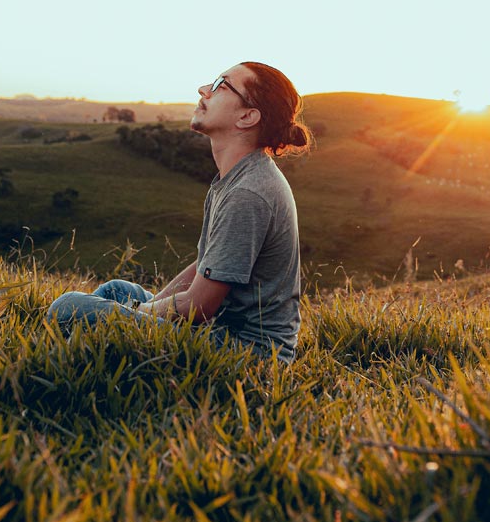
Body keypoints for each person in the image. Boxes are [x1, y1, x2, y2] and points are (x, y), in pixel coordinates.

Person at [47, 62, 312, 363]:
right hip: (222, 332)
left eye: (220, 85)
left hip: (248, 354)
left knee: (67, 307)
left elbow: (198, 307)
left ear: (247, 117)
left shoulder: (247, 193)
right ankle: (88, 355)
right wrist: (147, 310)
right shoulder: (241, 177)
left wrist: (139, 314)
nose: (203, 90)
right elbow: (205, 266)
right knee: (117, 290)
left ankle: (83, 357)